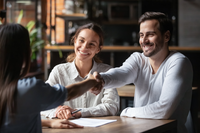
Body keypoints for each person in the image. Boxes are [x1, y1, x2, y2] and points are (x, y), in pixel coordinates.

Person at [92, 12, 193, 133]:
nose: (144, 40)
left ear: (166, 36)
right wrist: (102, 79)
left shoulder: (178, 62)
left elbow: (163, 110)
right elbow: (122, 73)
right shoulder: (138, 59)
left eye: (150, 35)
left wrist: (126, 112)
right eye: (141, 35)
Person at [0, 23, 101, 133]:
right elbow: (70, 92)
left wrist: (49, 123)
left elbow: (17, 119)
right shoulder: (29, 89)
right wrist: (91, 81)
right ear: (27, 53)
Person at [41, 23, 119, 119]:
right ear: (75, 41)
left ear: (98, 49)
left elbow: (112, 106)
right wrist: (58, 111)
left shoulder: (107, 72)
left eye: (91, 44)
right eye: (81, 40)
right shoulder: (59, 72)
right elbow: (43, 103)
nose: (84, 47)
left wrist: (79, 112)